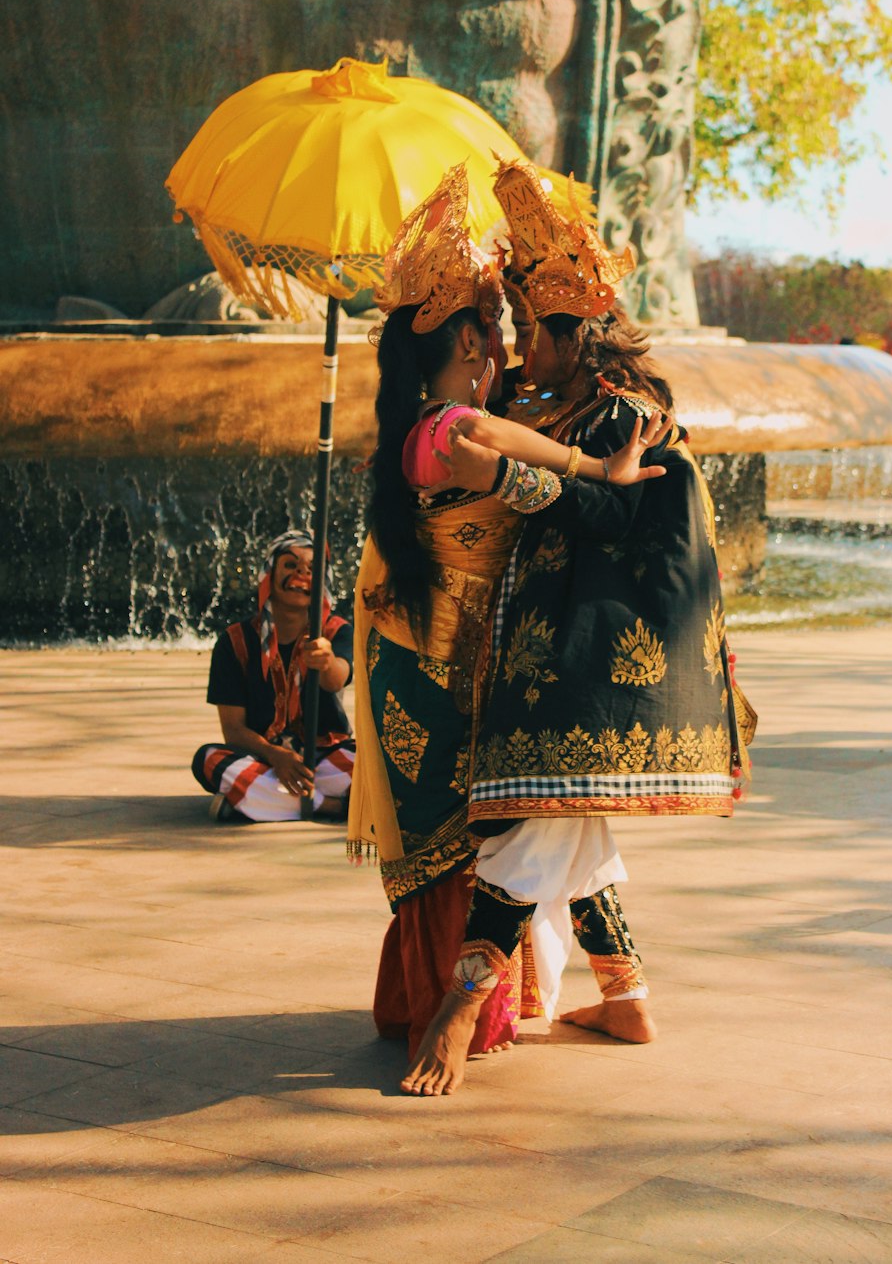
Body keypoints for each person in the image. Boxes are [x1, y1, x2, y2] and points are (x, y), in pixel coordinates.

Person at [401, 156, 756, 1095]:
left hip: (594, 666)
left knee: (524, 830)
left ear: (574, 335)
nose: (520, 344)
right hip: (560, 654)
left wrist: (508, 478)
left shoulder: (627, 414)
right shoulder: (567, 405)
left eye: (528, 328)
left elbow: (614, 517)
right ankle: (626, 994)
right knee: (571, 827)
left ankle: (461, 1005)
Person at [347, 164, 664, 1067]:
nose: (509, 340)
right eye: (496, 322)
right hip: (437, 662)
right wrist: (597, 473)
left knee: (555, 813)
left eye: (521, 323)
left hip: (490, 657)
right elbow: (512, 469)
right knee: (519, 823)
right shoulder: (454, 426)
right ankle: (462, 1010)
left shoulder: (484, 412)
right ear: (461, 335)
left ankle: (609, 993)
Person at [192, 530, 355, 823]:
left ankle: (255, 800)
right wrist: (275, 756)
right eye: (290, 566)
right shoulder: (234, 641)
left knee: (376, 762)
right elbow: (233, 730)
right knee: (209, 759)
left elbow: (337, 679)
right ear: (270, 575)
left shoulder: (336, 630)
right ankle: (333, 807)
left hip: (325, 759)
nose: (301, 574)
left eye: (311, 569)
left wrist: (326, 661)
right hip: (263, 759)